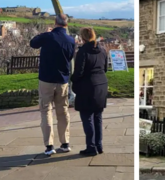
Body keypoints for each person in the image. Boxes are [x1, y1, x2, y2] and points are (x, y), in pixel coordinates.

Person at [30, 14, 75, 156]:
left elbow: (33, 43)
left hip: (46, 79)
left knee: (46, 111)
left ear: (55, 23)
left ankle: (49, 146)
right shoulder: (71, 40)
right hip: (62, 80)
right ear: (66, 25)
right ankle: (65, 142)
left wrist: (46, 33)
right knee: (63, 111)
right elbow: (70, 57)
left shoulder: (48, 37)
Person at [70, 27, 108, 156]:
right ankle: (99, 145)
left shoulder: (83, 51)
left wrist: (73, 80)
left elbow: (79, 72)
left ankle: (91, 147)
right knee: (98, 117)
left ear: (83, 37)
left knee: (87, 118)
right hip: (101, 85)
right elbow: (105, 68)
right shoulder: (103, 50)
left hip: (87, 87)